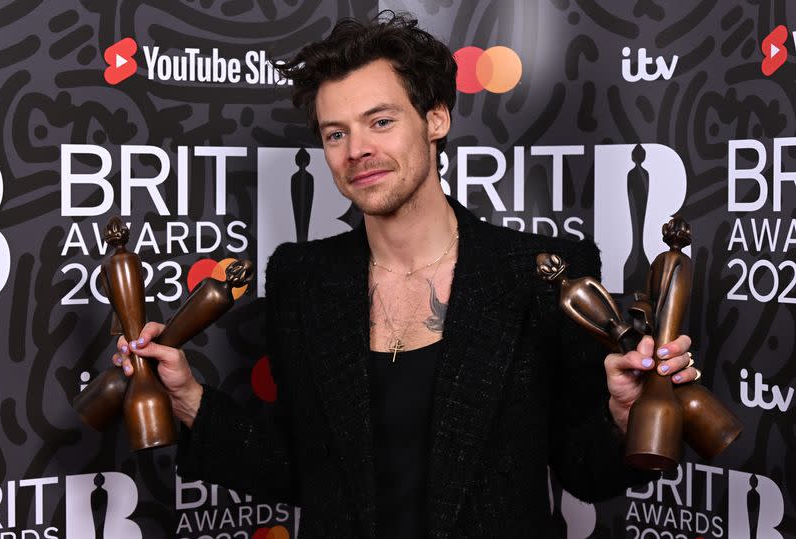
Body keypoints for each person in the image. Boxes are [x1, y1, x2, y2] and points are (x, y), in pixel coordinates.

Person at [112, 12, 698, 538]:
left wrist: (621, 418)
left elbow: (585, 473)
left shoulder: (543, 274)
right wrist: (188, 400)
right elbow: (299, 470)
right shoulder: (302, 279)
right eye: (335, 133)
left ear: (435, 118)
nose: (356, 150)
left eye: (380, 121)